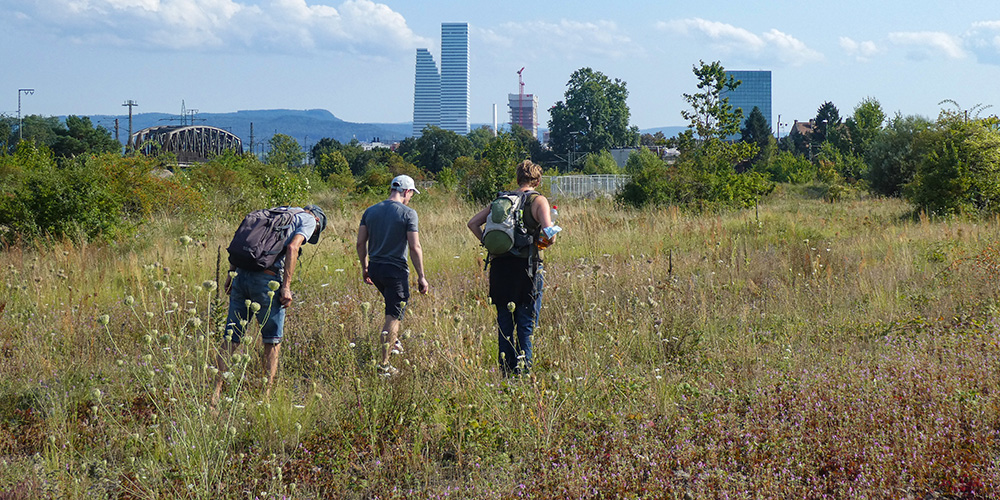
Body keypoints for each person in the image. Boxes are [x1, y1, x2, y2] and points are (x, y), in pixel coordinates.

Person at [212, 204, 327, 404]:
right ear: (317, 221)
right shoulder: (308, 221)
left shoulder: (276, 212)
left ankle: (214, 395)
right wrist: (286, 287)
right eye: (315, 232)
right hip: (267, 281)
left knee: (231, 338)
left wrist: (231, 274)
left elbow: (244, 243)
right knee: (272, 341)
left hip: (241, 275)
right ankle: (264, 398)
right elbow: (293, 247)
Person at [467, 160, 555, 376]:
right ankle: (523, 373)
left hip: (500, 269)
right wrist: (543, 241)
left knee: (505, 324)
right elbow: (549, 234)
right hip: (528, 269)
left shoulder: (502, 199)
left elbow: (472, 223)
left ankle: (506, 373)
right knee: (525, 323)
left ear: (518, 178)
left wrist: (487, 243)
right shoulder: (538, 200)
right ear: (537, 179)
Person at [357, 175, 429, 377]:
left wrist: (365, 267)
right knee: (393, 317)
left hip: (376, 269)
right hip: (395, 270)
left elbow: (360, 243)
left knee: (395, 304)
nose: (410, 199)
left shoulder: (370, 211)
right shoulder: (408, 214)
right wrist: (421, 276)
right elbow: (414, 247)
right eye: (411, 194)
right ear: (406, 191)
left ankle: (394, 342)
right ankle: (384, 366)